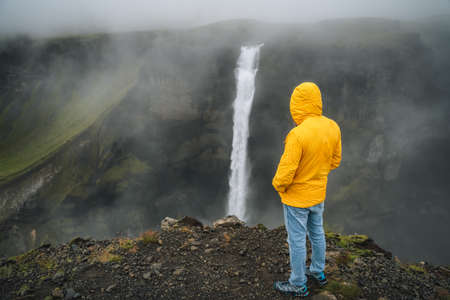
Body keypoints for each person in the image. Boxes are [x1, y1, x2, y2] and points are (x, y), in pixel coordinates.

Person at [272, 82, 342, 297]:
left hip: (296, 199)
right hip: (318, 193)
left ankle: (298, 283)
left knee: (296, 240)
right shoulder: (332, 127)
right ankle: (318, 273)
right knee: (317, 233)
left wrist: (279, 186)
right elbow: (335, 161)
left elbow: (286, 170)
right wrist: (317, 174)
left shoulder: (297, 134)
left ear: (297, 105)